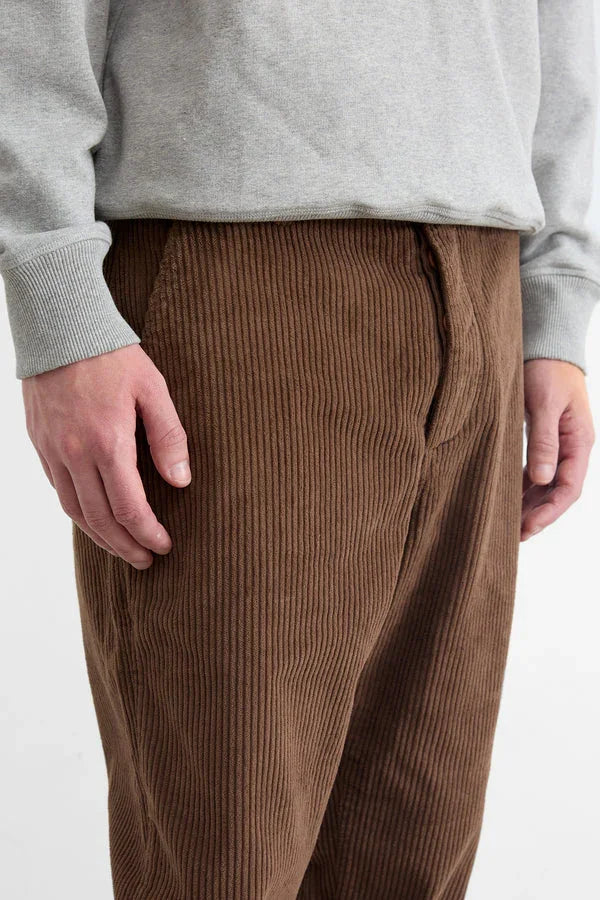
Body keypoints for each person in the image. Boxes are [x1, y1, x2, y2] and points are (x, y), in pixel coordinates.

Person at [1, 2, 598, 898]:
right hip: (236, 269)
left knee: (413, 854)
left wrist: (556, 293)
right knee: (224, 861)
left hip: (486, 270)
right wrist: (57, 298)